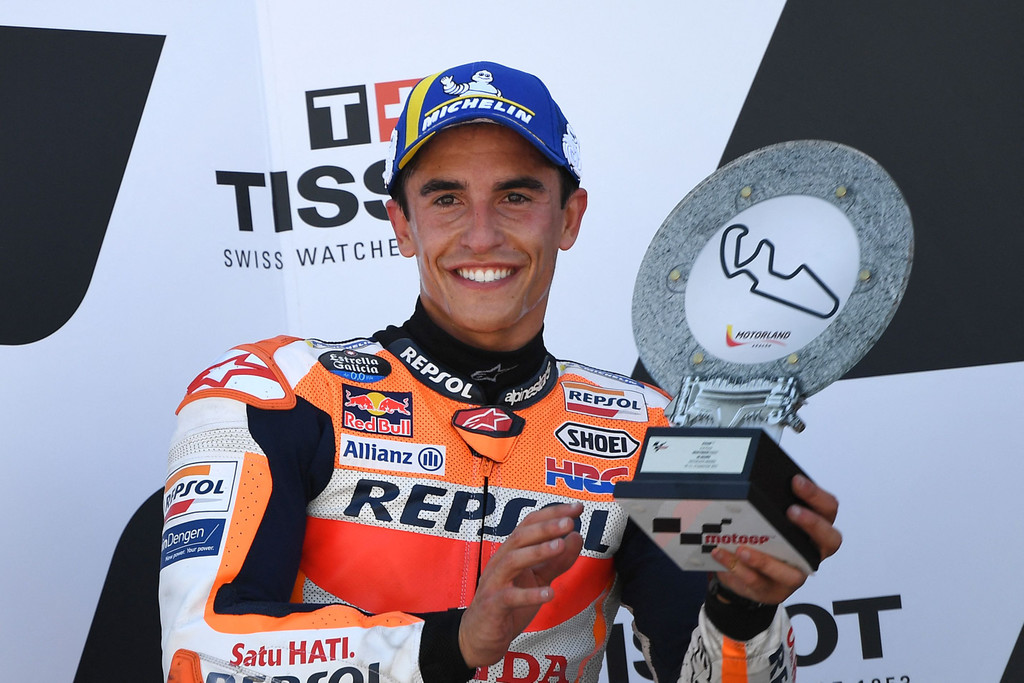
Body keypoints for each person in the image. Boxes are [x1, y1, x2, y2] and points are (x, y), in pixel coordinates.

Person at [159, 60, 841, 683]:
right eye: (446, 199)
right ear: (402, 224)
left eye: (516, 197)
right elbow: (198, 655)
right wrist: (454, 643)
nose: (481, 234)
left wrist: (745, 613)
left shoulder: (654, 430)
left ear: (569, 217)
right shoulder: (274, 390)